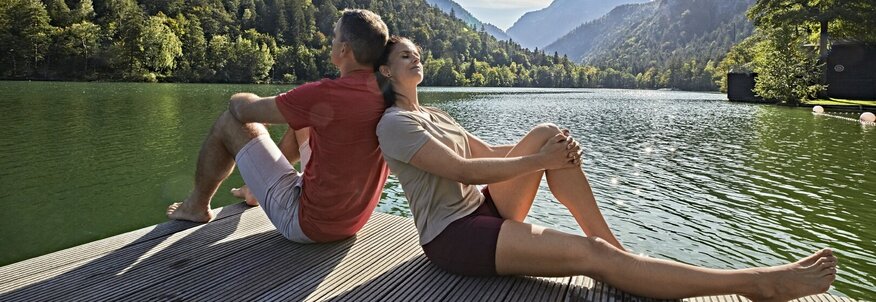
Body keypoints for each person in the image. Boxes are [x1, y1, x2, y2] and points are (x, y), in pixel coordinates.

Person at [374, 36, 837, 300]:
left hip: (487, 209)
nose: (417, 58)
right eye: (404, 56)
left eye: (417, 53)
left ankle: (619, 254)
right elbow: (464, 170)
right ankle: (755, 284)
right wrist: (541, 162)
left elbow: (486, 151)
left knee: (547, 130)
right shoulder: (394, 124)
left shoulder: (434, 114)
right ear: (387, 72)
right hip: (454, 236)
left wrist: (548, 151)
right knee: (589, 257)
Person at [166, 9, 390, 244]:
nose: (331, 41)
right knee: (303, 122)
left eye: (334, 36)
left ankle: (196, 207)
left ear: (344, 49)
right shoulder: (388, 93)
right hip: (351, 221)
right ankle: (255, 190)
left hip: (307, 224)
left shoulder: (326, 93)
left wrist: (241, 99)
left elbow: (241, 110)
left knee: (228, 122)